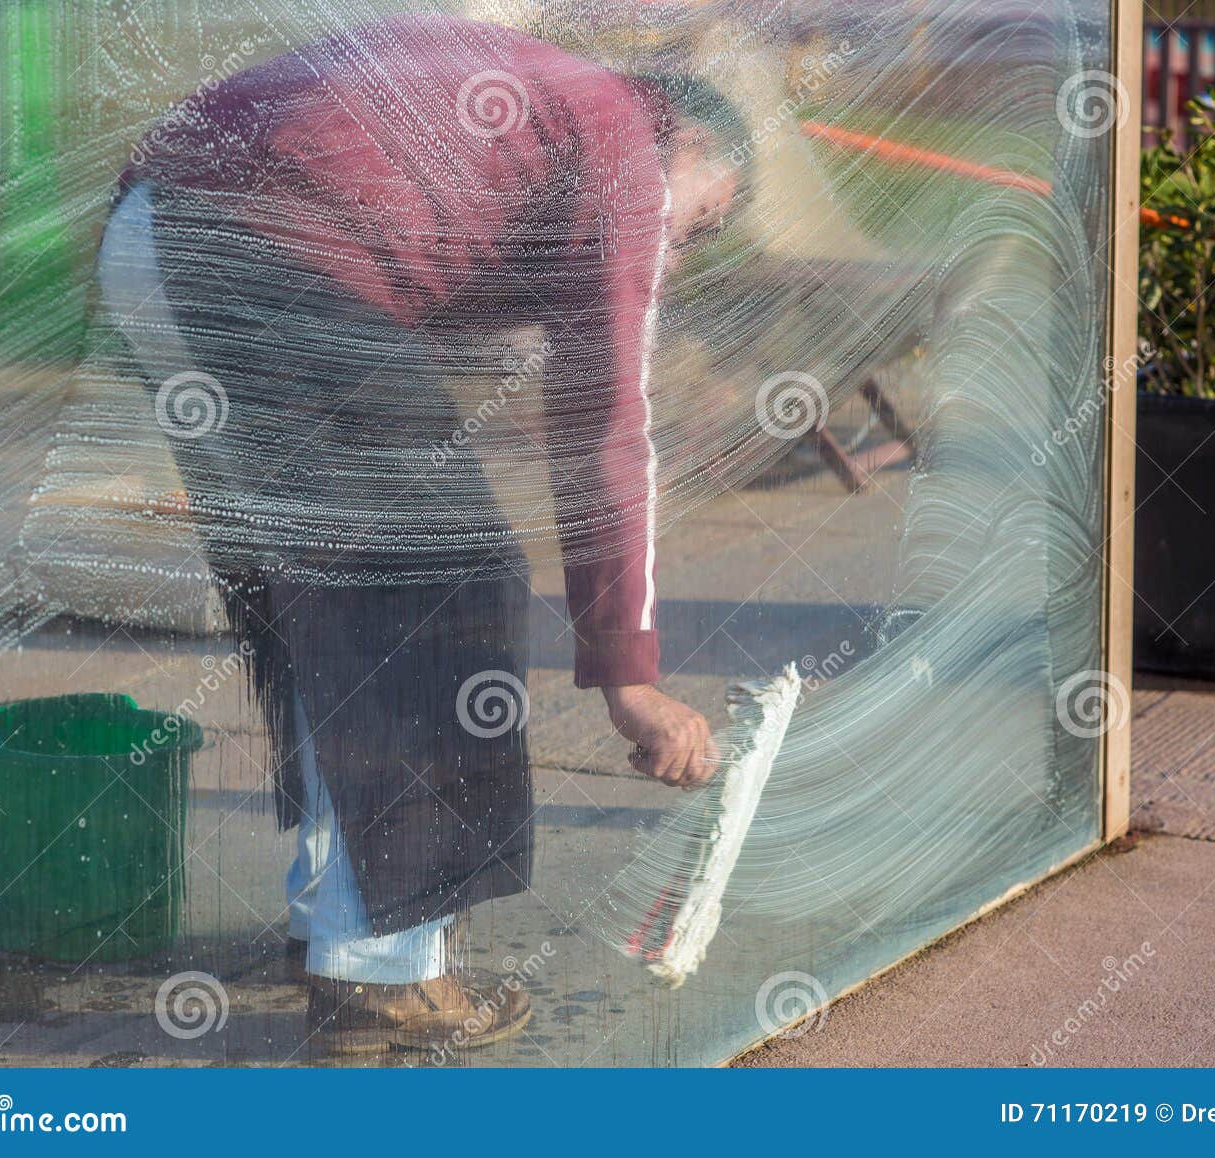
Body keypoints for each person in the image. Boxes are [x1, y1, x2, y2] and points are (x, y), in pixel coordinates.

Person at [96, 15, 743, 1055]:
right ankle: (383, 978)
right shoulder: (628, 150)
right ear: (691, 152)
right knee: (443, 588)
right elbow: (606, 429)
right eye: (696, 225)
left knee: (320, 598)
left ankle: (334, 927)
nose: (672, 249)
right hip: (263, 262)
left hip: (149, 241)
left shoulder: (542, 103)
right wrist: (628, 673)